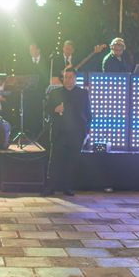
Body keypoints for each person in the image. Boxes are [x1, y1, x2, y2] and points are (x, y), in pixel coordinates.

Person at [41, 67, 92, 196]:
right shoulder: (55, 93)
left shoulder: (82, 93)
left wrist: (86, 132)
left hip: (76, 133)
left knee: (72, 161)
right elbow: (46, 111)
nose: (68, 80)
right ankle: (51, 187)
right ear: (63, 78)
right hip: (59, 132)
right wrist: (54, 110)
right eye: (66, 77)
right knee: (55, 161)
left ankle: (68, 187)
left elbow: (88, 114)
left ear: (75, 78)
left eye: (71, 77)